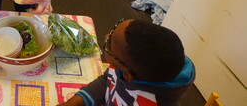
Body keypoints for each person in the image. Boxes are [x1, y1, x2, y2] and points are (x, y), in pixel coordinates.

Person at [58, 19, 196, 106]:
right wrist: (73, 102)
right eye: (115, 26)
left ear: (128, 75)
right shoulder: (131, 67)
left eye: (109, 44)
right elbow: (108, 80)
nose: (106, 36)